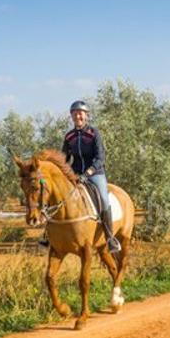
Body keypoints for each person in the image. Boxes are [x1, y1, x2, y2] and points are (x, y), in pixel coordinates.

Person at [60, 100, 121, 253]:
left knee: (104, 199)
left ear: (86, 116)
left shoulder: (94, 133)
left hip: (94, 174)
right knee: (58, 195)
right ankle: (48, 236)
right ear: (72, 116)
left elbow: (101, 158)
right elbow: (64, 159)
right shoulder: (69, 136)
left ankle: (110, 238)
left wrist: (88, 173)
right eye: (75, 113)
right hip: (75, 174)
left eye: (80, 113)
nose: (77, 116)